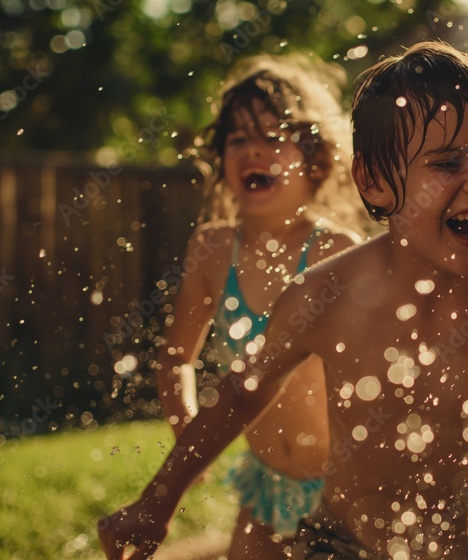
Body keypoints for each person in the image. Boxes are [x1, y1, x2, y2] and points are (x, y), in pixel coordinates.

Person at [99, 41, 468, 560]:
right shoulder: (326, 295)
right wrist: (157, 501)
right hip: (341, 548)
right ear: (373, 182)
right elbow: (241, 395)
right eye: (446, 164)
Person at [148, 54, 363, 559]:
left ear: (314, 159)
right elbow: (175, 359)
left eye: (273, 137)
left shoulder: (336, 251)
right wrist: (189, 443)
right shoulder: (212, 250)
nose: (253, 152)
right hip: (266, 488)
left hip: (344, 491)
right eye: (238, 139)